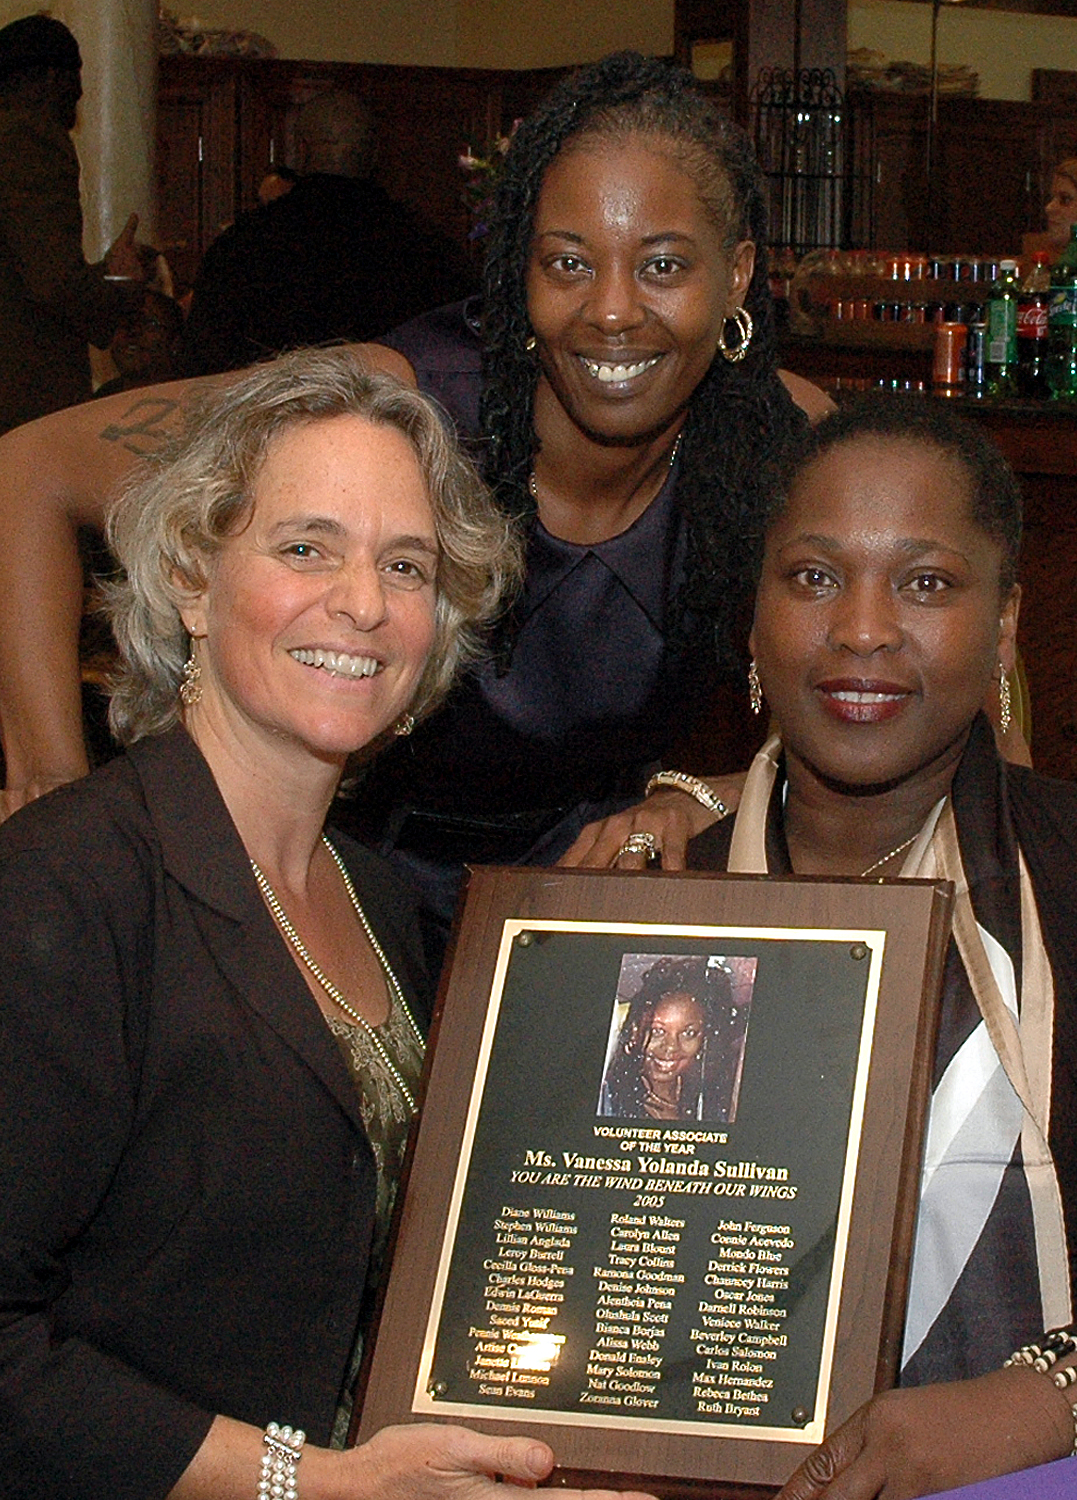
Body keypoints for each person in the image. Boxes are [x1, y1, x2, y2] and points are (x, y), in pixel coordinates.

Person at [0, 347, 658, 1500]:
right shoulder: (66, 888)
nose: (362, 603)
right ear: (193, 580)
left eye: (405, 565)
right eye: (305, 546)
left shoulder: (380, 896)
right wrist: (304, 1484)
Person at [0, 51, 831, 962]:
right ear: (520, 269)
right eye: (567, 262)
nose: (614, 312)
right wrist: (49, 786)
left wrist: (707, 793)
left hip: (591, 916)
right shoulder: (396, 407)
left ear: (739, 275)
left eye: (664, 265)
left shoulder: (781, 444)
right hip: (341, 902)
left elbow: (891, 708)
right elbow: (31, 470)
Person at [685, 397, 1077, 1496]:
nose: (863, 628)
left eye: (925, 583)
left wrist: (1052, 1401)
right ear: (755, 612)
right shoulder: (649, 909)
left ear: (1006, 622)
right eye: (815, 576)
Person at [182, 89, 472, 377]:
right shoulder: (430, 248)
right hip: (393, 415)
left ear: (301, 150)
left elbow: (205, 365)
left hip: (276, 415)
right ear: (374, 153)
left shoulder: (241, 246)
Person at [0, 13, 143, 433]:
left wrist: (100, 273)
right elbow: (51, 282)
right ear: (48, 77)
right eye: (75, 78)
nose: (80, 94)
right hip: (23, 394)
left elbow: (17, 266)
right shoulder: (29, 138)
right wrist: (120, 291)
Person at [598, 954, 745, 1121]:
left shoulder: (712, 1099)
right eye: (657, 1031)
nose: (671, 1047)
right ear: (634, 1032)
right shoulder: (608, 1101)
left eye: (688, 1033)